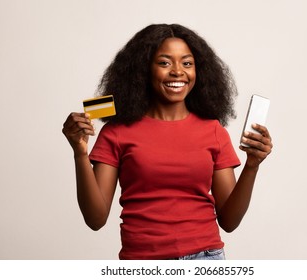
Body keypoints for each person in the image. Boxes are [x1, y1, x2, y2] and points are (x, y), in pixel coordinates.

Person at [62, 23, 273, 260]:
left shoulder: (213, 131)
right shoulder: (117, 132)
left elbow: (230, 221)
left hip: (205, 259)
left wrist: (252, 166)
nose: (177, 71)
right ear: (144, 70)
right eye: (164, 62)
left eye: (187, 63)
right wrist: (80, 153)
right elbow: (95, 219)